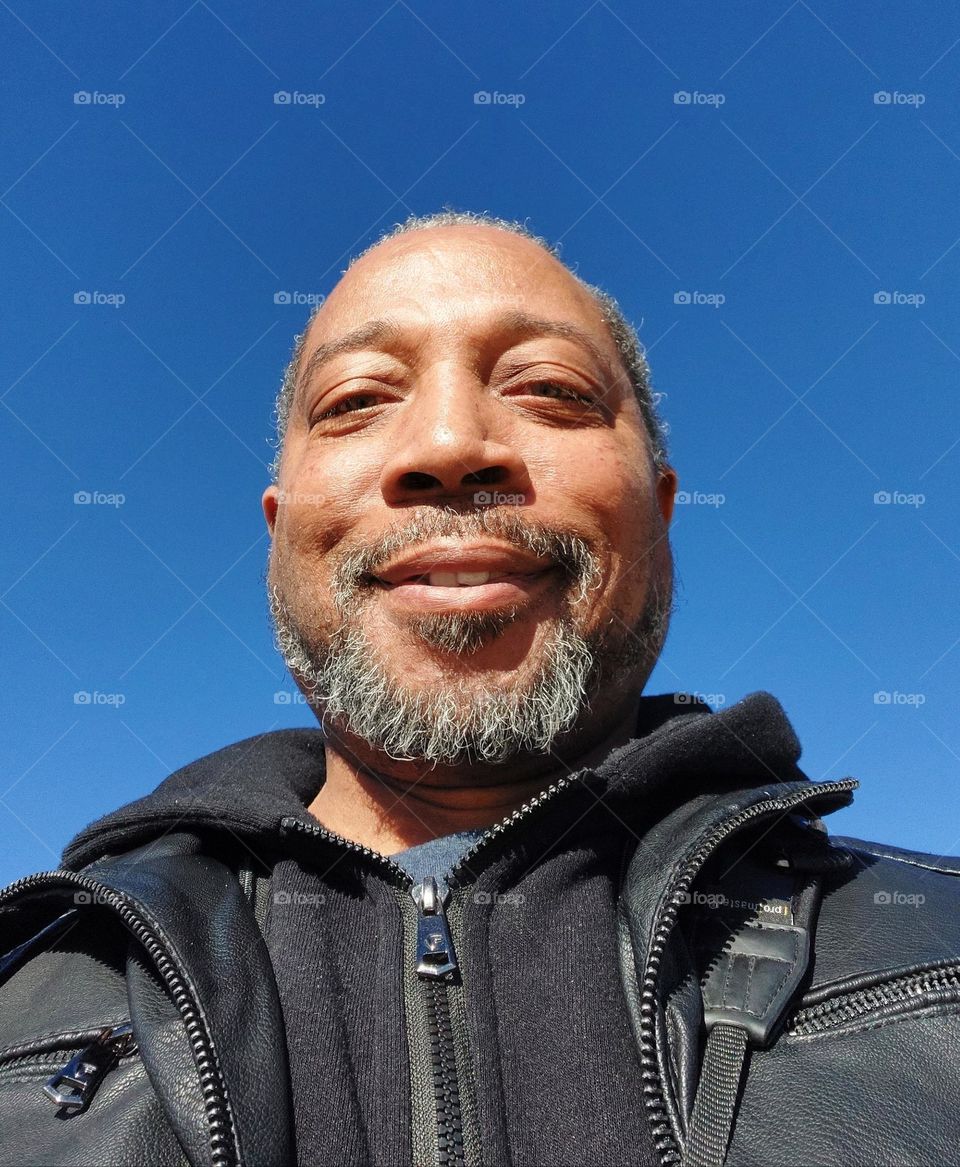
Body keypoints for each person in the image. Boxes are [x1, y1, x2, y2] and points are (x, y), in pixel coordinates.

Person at [1, 211, 958, 1167]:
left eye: (549, 388)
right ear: (280, 529)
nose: (452, 444)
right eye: (356, 399)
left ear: (660, 512)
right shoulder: (20, 1003)